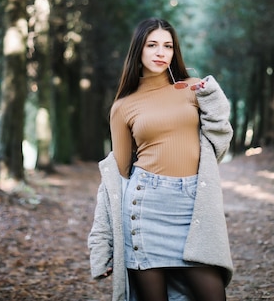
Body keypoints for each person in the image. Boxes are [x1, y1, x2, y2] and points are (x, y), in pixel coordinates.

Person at [88, 17, 234, 301]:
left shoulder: (193, 89)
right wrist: (104, 245)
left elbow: (220, 140)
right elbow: (118, 177)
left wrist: (214, 98)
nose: (160, 52)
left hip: (192, 206)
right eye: (152, 44)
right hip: (145, 207)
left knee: (214, 295)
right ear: (138, 51)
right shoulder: (123, 106)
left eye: (167, 46)